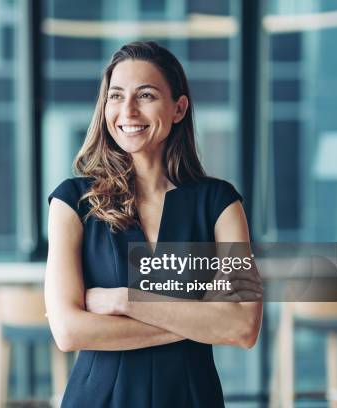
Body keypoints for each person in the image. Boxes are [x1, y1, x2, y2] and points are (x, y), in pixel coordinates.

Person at [45, 41, 263, 407]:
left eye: (145, 95)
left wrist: (122, 300)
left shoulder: (220, 203)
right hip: (99, 399)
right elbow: (68, 331)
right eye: (116, 96)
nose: (127, 110)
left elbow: (242, 327)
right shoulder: (72, 202)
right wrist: (198, 320)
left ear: (178, 108)